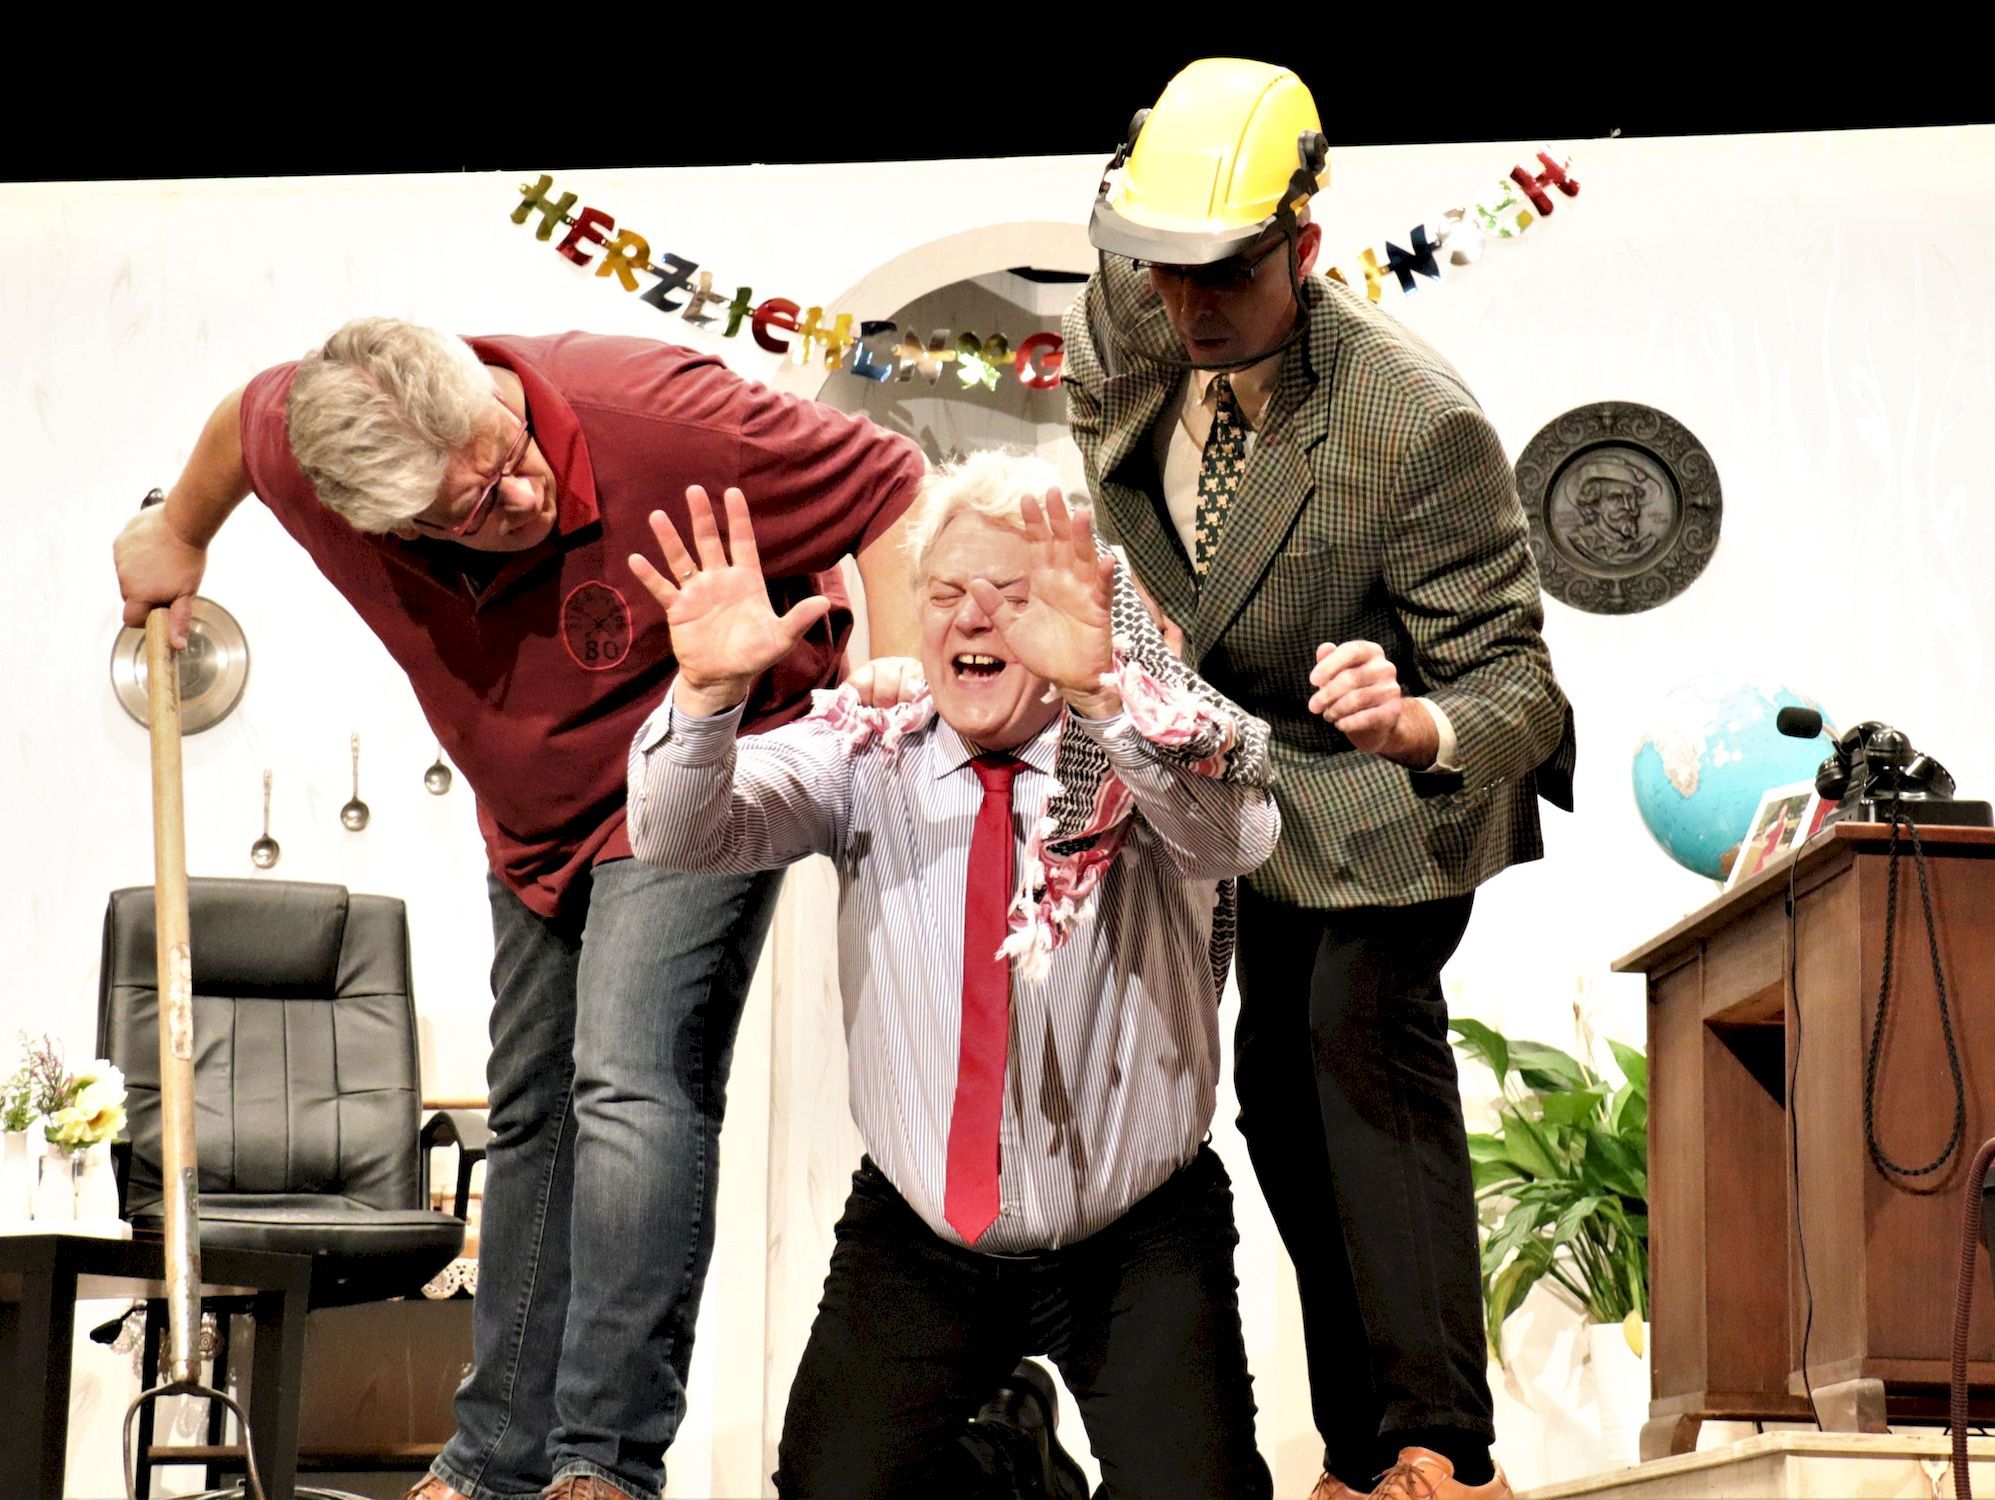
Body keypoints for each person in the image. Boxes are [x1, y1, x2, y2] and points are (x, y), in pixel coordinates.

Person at [111, 317, 924, 1500]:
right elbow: (247, 421)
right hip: (535, 816)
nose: (522, 494)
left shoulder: (663, 418)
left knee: (630, 1081)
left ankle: (603, 1464)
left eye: (506, 453)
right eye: (474, 509)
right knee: (533, 1103)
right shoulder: (313, 444)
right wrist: (178, 530)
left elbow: (889, 481)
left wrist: (902, 693)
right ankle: (495, 1458)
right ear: (387, 524)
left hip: (696, 769)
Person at [1062, 59, 1577, 1500]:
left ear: (1305, 239)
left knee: (1359, 1040)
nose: (1191, 303)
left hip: (1388, 789)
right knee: (1272, 1094)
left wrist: (1413, 721)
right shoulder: (1137, 307)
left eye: (1227, 271)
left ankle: (1439, 1450)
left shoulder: (1407, 418)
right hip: (1243, 783)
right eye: (1166, 270)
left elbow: (1514, 685)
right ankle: (1356, 1453)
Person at [625, 451, 1278, 1499]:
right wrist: (706, 696)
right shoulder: (864, 748)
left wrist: (1102, 696)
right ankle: (1009, 1447)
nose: (972, 618)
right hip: (922, 1232)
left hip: (1136, 1230)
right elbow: (673, 833)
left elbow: (1235, 838)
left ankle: (1016, 1439)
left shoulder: (1140, 745)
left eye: (1011, 597)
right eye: (944, 595)